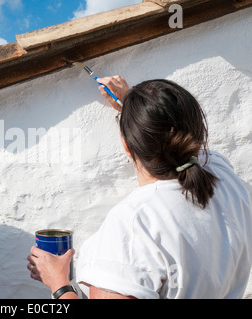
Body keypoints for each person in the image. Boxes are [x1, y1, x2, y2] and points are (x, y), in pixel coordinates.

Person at [27, 76, 252, 299]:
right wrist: (135, 106)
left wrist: (59, 283)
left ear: (126, 145)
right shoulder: (220, 170)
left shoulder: (135, 224)